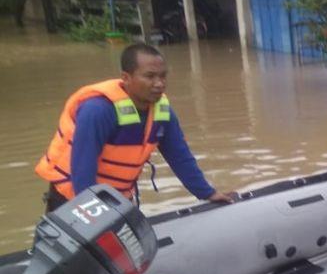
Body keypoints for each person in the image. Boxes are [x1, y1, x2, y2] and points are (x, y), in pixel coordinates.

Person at [35, 44, 234, 211]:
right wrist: (95, 213)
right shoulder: (98, 110)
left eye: (163, 76)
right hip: (72, 200)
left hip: (118, 199)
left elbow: (179, 156)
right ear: (126, 77)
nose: (159, 83)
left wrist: (207, 193)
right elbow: (82, 169)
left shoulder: (162, 112)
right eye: (150, 76)